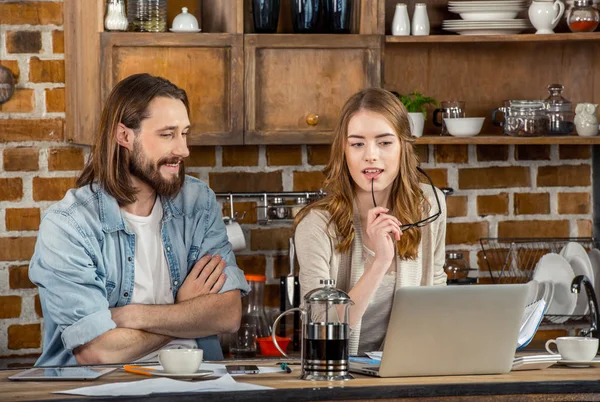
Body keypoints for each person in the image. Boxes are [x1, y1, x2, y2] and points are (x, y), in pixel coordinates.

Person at [29, 73, 250, 366]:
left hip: (196, 385)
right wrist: (184, 311)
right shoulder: (69, 226)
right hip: (101, 391)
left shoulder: (197, 202)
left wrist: (134, 316)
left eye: (184, 133)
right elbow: (97, 351)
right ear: (124, 136)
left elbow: (227, 314)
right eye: (167, 134)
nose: (183, 149)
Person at [294, 88, 447, 355]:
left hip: (411, 366)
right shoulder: (315, 225)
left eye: (384, 142)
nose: (370, 155)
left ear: (403, 148)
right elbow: (320, 326)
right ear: (343, 151)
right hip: (341, 370)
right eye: (357, 143)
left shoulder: (429, 205)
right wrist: (378, 264)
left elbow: (437, 291)